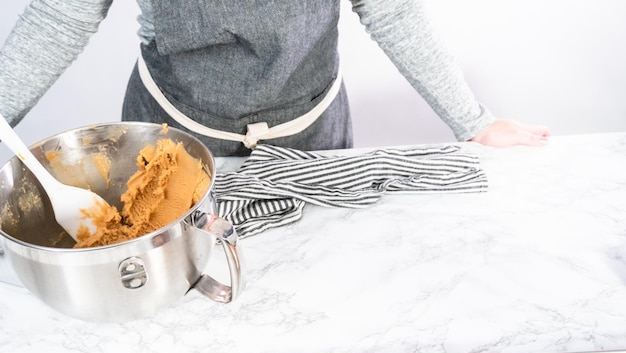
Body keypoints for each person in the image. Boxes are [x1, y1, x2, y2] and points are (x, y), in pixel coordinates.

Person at [0, 0, 550, 157]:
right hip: (169, 136)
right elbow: (60, 15)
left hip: (313, 137)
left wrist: (473, 121)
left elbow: (391, 9)